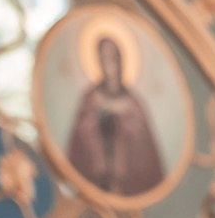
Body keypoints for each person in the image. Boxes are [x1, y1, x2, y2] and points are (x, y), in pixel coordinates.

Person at [66, 36, 168, 198]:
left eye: (112, 56)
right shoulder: (91, 97)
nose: (108, 62)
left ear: (120, 59)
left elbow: (143, 139)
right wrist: (98, 116)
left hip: (127, 181)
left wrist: (124, 118)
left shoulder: (133, 102)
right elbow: (81, 132)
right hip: (96, 177)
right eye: (103, 56)